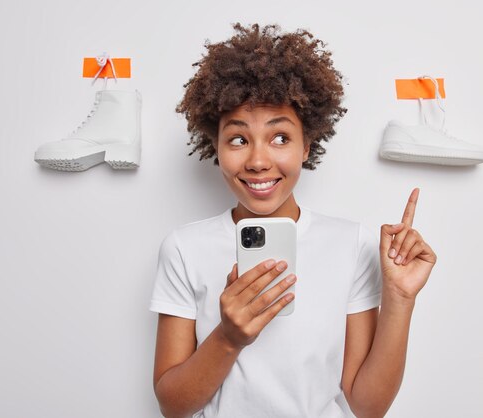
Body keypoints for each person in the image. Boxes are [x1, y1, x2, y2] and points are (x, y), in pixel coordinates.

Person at [150, 23, 437, 418]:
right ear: (214, 145)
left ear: (307, 144)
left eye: (280, 137)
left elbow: (367, 407)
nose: (258, 160)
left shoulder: (352, 244)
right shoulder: (184, 248)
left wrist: (401, 301)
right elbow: (172, 405)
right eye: (237, 139)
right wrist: (229, 338)